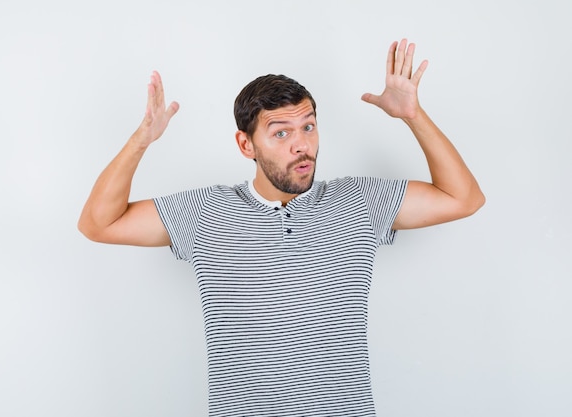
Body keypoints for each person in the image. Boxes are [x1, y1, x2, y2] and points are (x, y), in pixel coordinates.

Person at [78, 39, 485, 417]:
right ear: (246, 145)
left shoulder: (359, 201)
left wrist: (414, 116)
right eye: (281, 133)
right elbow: (98, 223)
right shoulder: (204, 212)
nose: (301, 145)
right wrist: (140, 141)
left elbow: (463, 198)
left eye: (308, 127)